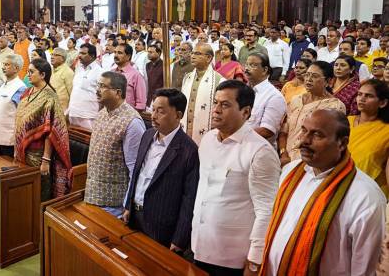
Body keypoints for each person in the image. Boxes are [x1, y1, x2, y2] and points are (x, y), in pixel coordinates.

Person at [260, 109, 386, 276]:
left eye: (317, 134)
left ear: (342, 143)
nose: (304, 140)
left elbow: (363, 266)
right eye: (304, 130)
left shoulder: (365, 195)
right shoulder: (290, 172)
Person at [192, 80, 280, 275]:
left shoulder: (259, 151)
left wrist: (255, 260)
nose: (216, 110)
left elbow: (266, 211)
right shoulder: (207, 140)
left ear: (246, 112)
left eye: (225, 105)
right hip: (199, 243)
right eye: (215, 102)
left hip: (231, 257)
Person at [122, 88, 199, 254]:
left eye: (160, 111)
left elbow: (189, 198)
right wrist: (128, 205)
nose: (153, 116)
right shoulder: (148, 135)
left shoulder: (188, 150)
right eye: (153, 109)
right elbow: (137, 173)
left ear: (178, 115)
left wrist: (180, 238)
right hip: (135, 214)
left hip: (161, 224)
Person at [84, 71, 145, 217]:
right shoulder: (102, 113)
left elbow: (134, 168)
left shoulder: (132, 122)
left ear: (118, 92)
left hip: (114, 204)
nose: (97, 90)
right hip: (93, 194)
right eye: (98, 85)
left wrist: (129, 205)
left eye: (103, 86)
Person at [15, 58, 73, 201]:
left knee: (37, 190)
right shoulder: (28, 92)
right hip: (22, 148)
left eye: (32, 72)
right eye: (28, 71)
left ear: (42, 75)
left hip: (38, 153)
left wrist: (45, 160)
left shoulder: (50, 97)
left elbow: (51, 131)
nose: (28, 74)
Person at [278, 61, 346, 165]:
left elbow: (326, 140)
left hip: (309, 161)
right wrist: (283, 154)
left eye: (314, 76)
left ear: (329, 81)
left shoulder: (334, 106)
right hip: (285, 158)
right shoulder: (296, 100)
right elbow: (283, 131)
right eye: (307, 75)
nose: (309, 79)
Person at [348, 79, 389, 197]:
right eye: (359, 94)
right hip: (337, 185)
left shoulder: (386, 131)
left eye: (369, 96)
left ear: (382, 103)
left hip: (369, 193)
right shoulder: (345, 122)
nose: (362, 98)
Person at [181, 43, 224, 144]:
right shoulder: (187, 78)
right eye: (192, 53)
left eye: (197, 53)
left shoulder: (219, 80)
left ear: (209, 58)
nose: (192, 56)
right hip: (185, 130)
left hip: (208, 133)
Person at [245, 53, 287, 145]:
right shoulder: (243, 90)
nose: (247, 69)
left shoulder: (274, 97)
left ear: (265, 70)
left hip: (258, 150)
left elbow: (267, 131)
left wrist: (237, 136)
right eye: (247, 64)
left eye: (253, 65)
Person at [0, 54, 26, 156]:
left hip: (10, 138)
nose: (3, 67)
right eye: (3, 64)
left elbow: (22, 115)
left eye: (7, 65)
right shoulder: (3, 84)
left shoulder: (20, 88)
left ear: (16, 68)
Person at [67, 43, 104, 129]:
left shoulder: (100, 72)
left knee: (88, 141)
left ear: (92, 56)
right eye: (79, 53)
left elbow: (102, 95)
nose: (79, 56)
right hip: (73, 113)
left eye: (83, 53)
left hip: (88, 115)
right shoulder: (79, 69)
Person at [113, 44, 147, 112]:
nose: (116, 55)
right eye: (115, 52)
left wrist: (131, 118)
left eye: (119, 53)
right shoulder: (111, 73)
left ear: (128, 56)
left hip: (128, 117)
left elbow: (141, 104)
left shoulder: (136, 75)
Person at [50, 48, 74, 113]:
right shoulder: (50, 70)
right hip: (50, 108)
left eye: (56, 55)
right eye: (52, 54)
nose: (52, 57)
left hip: (62, 111)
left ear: (62, 58)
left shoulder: (68, 72)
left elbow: (72, 93)